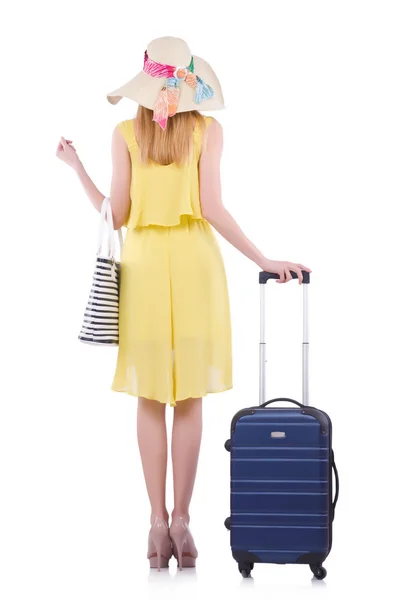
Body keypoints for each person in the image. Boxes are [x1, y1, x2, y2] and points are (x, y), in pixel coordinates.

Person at [56, 36, 311, 571]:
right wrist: (263, 259)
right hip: (197, 264)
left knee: (150, 397)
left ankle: (154, 525)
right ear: (188, 81)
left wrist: (75, 167)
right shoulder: (208, 131)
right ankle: (183, 521)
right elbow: (213, 208)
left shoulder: (125, 132)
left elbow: (117, 215)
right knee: (189, 398)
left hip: (145, 267)